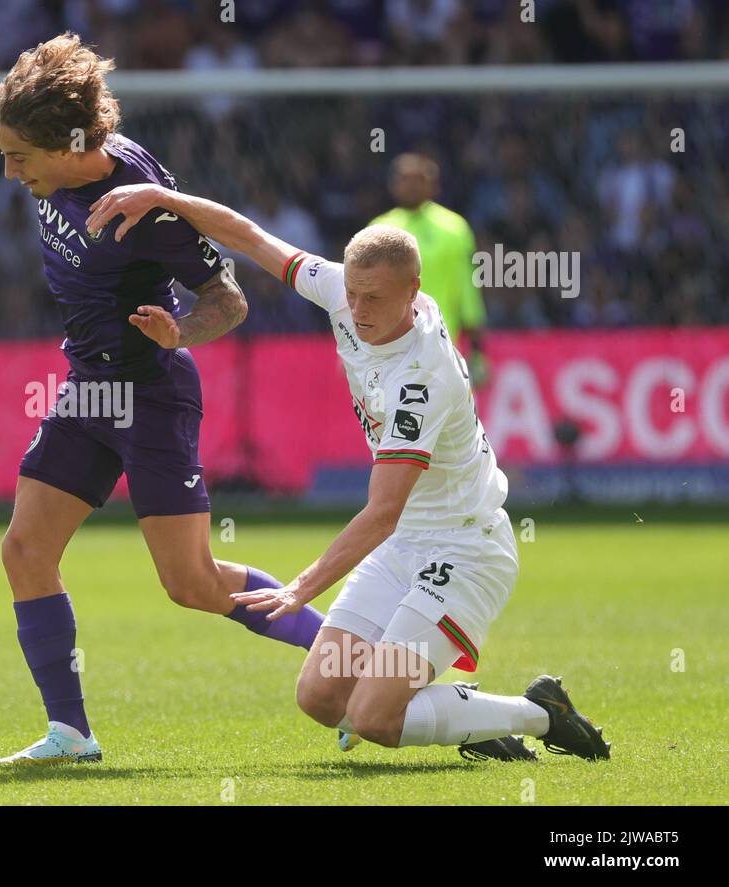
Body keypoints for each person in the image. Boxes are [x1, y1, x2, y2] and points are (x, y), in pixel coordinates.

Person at [87, 184, 610, 762]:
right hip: (404, 546)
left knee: (373, 718)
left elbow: (381, 512)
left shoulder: (423, 379)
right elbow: (252, 238)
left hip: (464, 551)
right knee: (319, 696)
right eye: (353, 295)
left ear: (414, 292)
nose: (357, 312)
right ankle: (464, 718)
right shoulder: (344, 289)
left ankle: (540, 712)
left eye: (374, 300)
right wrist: (164, 197)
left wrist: (301, 587)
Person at [0, 34, 325, 767]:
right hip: (87, 388)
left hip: (150, 394)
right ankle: (71, 734)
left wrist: (181, 331)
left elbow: (229, 299)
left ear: (67, 148)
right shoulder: (67, 172)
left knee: (193, 584)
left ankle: (344, 654)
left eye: (19, 157)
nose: (9, 172)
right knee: (24, 550)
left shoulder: (145, 208)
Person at [372, 153, 490, 387]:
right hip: (392, 345)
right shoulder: (378, 229)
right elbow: (364, 290)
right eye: (405, 179)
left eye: (419, 178)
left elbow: (468, 289)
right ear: (393, 185)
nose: (412, 185)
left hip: (443, 342)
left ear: (433, 184)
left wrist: (477, 350)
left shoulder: (454, 228)